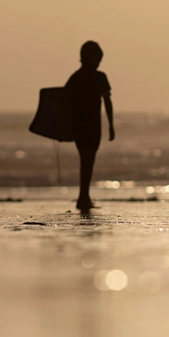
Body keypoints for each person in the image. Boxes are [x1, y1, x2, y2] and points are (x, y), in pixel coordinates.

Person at [65, 41, 115, 211]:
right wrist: (111, 125)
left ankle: (83, 196)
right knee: (88, 160)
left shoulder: (75, 78)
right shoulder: (100, 77)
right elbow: (107, 101)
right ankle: (83, 197)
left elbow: (64, 101)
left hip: (79, 125)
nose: (99, 62)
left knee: (85, 160)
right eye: (98, 58)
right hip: (92, 125)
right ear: (91, 58)